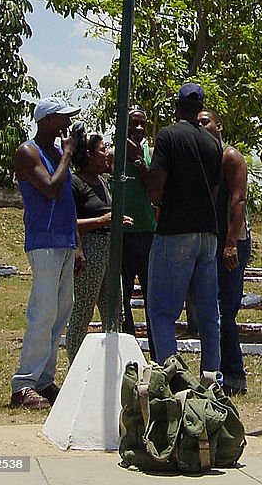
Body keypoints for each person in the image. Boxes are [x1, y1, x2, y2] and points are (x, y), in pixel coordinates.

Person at [141, 83, 223, 369]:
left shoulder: (168, 136)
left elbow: (155, 190)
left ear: (176, 106)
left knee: (162, 311)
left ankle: (170, 376)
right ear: (200, 108)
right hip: (207, 233)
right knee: (209, 313)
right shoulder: (214, 143)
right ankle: (213, 378)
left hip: (175, 231)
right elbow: (214, 191)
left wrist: (143, 170)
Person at [11, 96, 85, 410]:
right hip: (43, 242)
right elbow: (50, 188)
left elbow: (68, 202)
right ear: (47, 120)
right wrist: (68, 153)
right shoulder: (29, 152)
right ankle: (23, 383)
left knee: (60, 314)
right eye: (62, 118)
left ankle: (44, 379)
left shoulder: (56, 153)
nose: (67, 122)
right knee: (43, 313)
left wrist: (77, 244)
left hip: (64, 241)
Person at [65, 131, 130, 364]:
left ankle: (112, 365)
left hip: (109, 250)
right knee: (82, 311)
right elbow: (69, 223)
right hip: (90, 249)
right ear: (89, 154)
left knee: (114, 311)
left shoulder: (103, 183)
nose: (106, 155)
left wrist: (115, 221)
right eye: (102, 150)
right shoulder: (75, 183)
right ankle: (75, 365)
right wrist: (102, 221)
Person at [199, 109, 250, 396]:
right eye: (197, 123)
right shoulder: (202, 159)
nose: (201, 127)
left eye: (206, 122)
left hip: (232, 241)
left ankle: (233, 374)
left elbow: (238, 200)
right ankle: (214, 371)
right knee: (211, 308)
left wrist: (230, 243)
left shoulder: (229, 157)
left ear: (219, 125)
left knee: (225, 310)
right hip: (211, 240)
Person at [121, 106, 156, 356]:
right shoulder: (112, 153)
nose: (139, 128)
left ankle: (157, 351)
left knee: (151, 296)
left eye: (143, 124)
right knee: (122, 299)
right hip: (121, 234)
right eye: (134, 123)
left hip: (146, 232)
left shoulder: (148, 153)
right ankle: (129, 348)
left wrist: (139, 161)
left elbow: (154, 187)